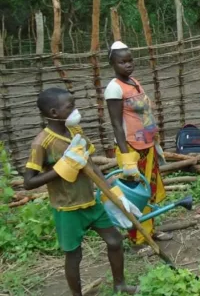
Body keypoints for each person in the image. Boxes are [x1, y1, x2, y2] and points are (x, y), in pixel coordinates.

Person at [23, 88, 138, 295]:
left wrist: (110, 190)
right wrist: (61, 167)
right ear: (54, 112)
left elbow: (91, 164)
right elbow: (28, 182)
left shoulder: (76, 132)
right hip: (67, 209)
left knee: (115, 241)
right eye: (70, 106)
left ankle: (120, 284)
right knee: (74, 255)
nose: (76, 109)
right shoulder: (42, 143)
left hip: (90, 202)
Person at [104, 41, 172, 253]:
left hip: (147, 144)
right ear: (113, 64)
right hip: (132, 149)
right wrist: (126, 158)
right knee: (135, 196)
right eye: (122, 62)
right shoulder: (114, 88)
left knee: (149, 191)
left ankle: (151, 231)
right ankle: (138, 241)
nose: (127, 65)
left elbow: (144, 114)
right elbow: (116, 124)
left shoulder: (134, 81)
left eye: (130, 60)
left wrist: (155, 141)